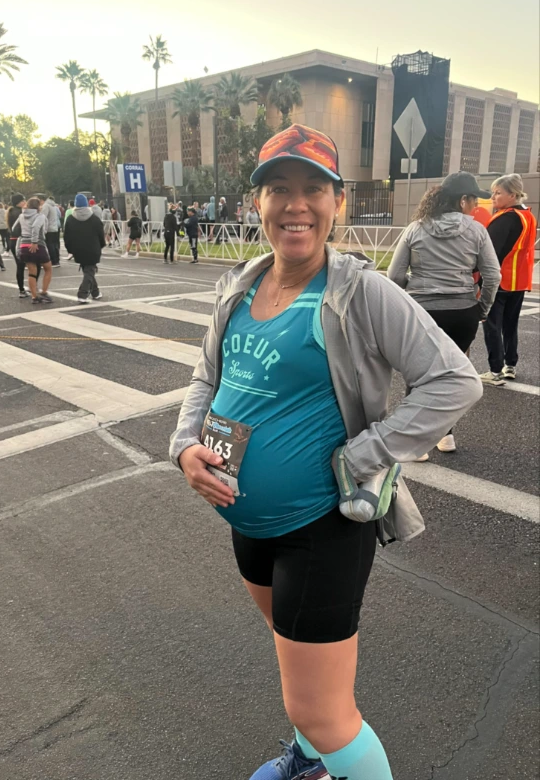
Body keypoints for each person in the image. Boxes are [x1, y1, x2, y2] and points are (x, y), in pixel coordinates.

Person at [170, 123, 482, 780]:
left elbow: (454, 379)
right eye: (279, 188)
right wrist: (184, 447)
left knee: (323, 711)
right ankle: (311, 763)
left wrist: (364, 455)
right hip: (248, 527)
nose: (296, 204)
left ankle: (321, 748)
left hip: (320, 529)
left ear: (337, 202)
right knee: (303, 677)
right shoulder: (240, 286)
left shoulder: (358, 292)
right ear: (255, 204)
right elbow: (207, 376)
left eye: (314, 188)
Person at [388, 171, 501, 455]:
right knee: (449, 375)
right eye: (474, 200)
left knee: (418, 376)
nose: (477, 206)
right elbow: (493, 275)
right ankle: (446, 436)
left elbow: (394, 274)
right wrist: (481, 308)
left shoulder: (416, 228)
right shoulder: (476, 231)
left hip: (423, 312)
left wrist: (407, 301)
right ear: (463, 200)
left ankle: (417, 444)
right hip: (462, 313)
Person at [481, 173, 537, 386]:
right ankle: (510, 365)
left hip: (500, 280)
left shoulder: (505, 218)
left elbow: (491, 252)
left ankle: (495, 370)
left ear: (513, 195)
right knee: (510, 324)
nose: (493, 197)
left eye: (498, 193)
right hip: (519, 280)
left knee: (491, 324)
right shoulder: (527, 216)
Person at [64, 194, 106, 304]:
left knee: (88, 270)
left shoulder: (70, 219)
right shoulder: (94, 219)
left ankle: (95, 292)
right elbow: (101, 235)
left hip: (78, 250)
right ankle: (82, 293)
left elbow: (66, 237)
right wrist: (101, 246)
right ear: (87, 204)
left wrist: (70, 249)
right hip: (93, 249)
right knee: (90, 271)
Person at [12, 197, 53, 303]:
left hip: (24, 244)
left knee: (32, 271)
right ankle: (44, 292)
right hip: (37, 244)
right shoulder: (40, 216)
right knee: (48, 268)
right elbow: (35, 227)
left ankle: (34, 296)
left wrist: (23, 235)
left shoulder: (21, 215)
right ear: (38, 206)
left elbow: (14, 228)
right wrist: (34, 241)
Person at [7, 194, 29, 297]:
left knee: (20, 266)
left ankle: (22, 290)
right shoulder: (19, 213)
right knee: (32, 265)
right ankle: (28, 288)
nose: (25, 202)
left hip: (13, 240)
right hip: (21, 240)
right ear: (19, 202)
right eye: (23, 200)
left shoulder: (10, 212)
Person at [42, 195, 61, 268]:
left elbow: (43, 216)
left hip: (49, 228)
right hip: (55, 227)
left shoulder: (46, 206)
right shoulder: (54, 206)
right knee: (55, 245)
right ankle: (57, 260)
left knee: (50, 245)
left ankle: (53, 261)